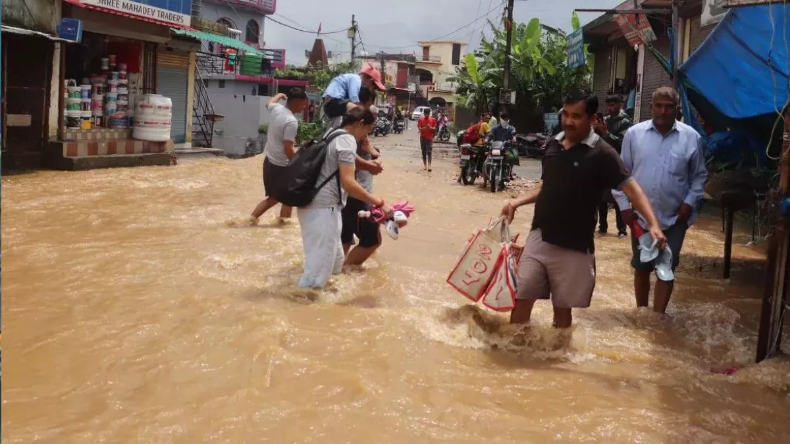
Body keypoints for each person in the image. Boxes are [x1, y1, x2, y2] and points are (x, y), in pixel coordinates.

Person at [501, 91, 667, 328]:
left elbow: (632, 189)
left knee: (562, 312)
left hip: (575, 246)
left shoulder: (603, 153)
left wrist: (653, 225)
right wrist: (515, 202)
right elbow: (547, 185)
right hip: (539, 238)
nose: (568, 121)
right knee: (520, 299)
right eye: (565, 114)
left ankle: (556, 359)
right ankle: (513, 357)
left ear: (591, 119)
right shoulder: (553, 144)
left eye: (576, 116)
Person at [612, 87, 708, 314]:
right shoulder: (634, 135)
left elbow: (699, 176)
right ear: (651, 107)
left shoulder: (691, 138)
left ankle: (658, 318)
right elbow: (621, 175)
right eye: (659, 105)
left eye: (669, 106)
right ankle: (642, 314)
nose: (663, 111)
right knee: (642, 266)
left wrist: (688, 202)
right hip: (640, 217)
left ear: (677, 109)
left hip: (675, 217)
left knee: (667, 267)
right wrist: (625, 207)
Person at [297, 107, 392, 289]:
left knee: (335, 266)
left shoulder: (333, 132)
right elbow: (348, 183)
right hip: (321, 209)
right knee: (315, 278)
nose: (365, 136)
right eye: (367, 130)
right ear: (359, 123)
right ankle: (301, 307)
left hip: (324, 208)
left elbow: (348, 160)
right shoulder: (347, 139)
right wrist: (379, 203)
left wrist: (367, 163)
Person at [250, 88, 308, 223]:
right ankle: (249, 220)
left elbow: (268, 103)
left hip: (269, 160)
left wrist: (279, 95)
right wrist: (300, 165)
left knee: (289, 196)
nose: (304, 107)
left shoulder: (277, 109)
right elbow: (288, 149)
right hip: (280, 165)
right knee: (275, 198)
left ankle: (282, 224)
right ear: (298, 102)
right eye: (303, 103)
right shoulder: (291, 121)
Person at [593, 94, 633, 238]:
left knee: (618, 196)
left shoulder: (626, 123)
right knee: (601, 198)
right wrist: (595, 129)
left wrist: (606, 133)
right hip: (602, 162)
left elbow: (622, 143)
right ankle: (602, 226)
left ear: (620, 105)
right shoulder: (605, 121)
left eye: (612, 105)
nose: (609, 108)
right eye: (608, 105)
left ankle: (622, 229)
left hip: (617, 163)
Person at [342, 134, 383, 267]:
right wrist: (372, 152)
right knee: (373, 240)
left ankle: (336, 271)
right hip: (359, 197)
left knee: (345, 239)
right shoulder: (355, 139)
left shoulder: (343, 137)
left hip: (344, 198)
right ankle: (345, 270)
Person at [321, 63, 386, 129]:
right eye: (374, 87)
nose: (372, 89)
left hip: (330, 102)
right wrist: (364, 113)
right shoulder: (356, 79)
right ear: (370, 81)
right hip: (333, 101)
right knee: (359, 110)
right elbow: (354, 98)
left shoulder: (353, 80)